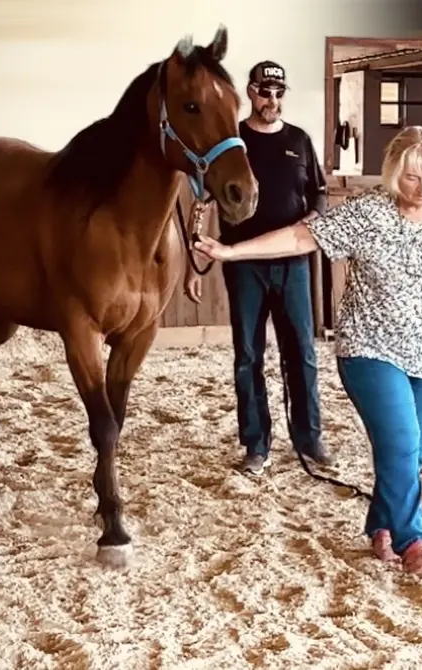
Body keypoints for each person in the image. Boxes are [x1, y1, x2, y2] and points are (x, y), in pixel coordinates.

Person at [193, 125, 422, 577]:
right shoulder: (368, 213)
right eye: (413, 178)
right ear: (395, 173)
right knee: (399, 443)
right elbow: (303, 237)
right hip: (371, 348)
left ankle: (382, 522)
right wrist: (231, 252)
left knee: (414, 450)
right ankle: (415, 540)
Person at [186, 60, 331, 476]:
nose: (272, 100)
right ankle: (255, 444)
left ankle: (309, 437)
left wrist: (313, 221)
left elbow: (318, 195)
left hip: (293, 263)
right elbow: (203, 201)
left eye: (279, 92)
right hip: (243, 263)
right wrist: (192, 265)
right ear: (250, 92)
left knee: (301, 353)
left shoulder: (300, 141)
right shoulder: (234, 141)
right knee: (248, 355)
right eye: (265, 92)